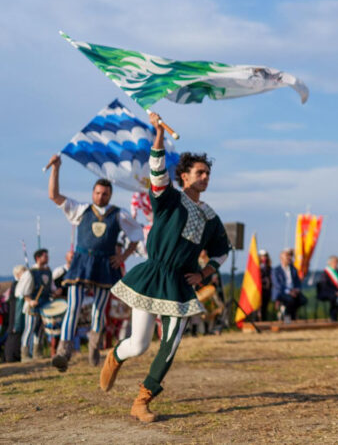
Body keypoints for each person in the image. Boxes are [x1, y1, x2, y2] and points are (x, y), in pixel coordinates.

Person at [100, 112, 231, 423]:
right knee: (139, 344)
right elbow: (157, 169)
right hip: (152, 275)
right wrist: (158, 133)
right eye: (200, 172)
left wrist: (204, 273)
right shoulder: (168, 197)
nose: (205, 177)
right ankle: (115, 356)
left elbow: (223, 251)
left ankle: (143, 398)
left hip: (180, 284)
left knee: (171, 344)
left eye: (208, 174)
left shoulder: (211, 216)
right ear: (183, 176)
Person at [46, 156, 143, 371]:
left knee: (99, 310)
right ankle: (64, 351)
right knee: (73, 306)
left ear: (110, 195)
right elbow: (54, 195)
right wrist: (56, 168)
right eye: (98, 193)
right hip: (81, 262)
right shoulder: (81, 209)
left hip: (105, 264)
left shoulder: (119, 214)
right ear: (93, 193)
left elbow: (137, 234)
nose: (101, 196)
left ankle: (94, 346)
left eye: (105, 193)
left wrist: (123, 257)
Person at [16, 249, 54, 361]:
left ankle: (38, 353)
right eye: (45, 256)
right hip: (33, 306)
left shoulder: (48, 271)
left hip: (45, 305)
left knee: (40, 330)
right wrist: (30, 300)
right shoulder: (30, 273)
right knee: (29, 329)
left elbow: (50, 287)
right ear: (38, 258)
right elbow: (21, 291)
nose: (47, 258)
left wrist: (55, 291)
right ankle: (25, 354)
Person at [272, 250, 306, 322]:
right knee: (290, 301)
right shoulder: (276, 270)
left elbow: (297, 282)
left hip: (294, 292)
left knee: (303, 300)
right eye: (287, 257)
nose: (289, 258)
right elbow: (277, 285)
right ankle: (287, 321)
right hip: (281, 292)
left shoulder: (293, 269)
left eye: (290, 256)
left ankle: (291, 318)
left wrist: (297, 290)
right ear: (281, 258)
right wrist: (289, 291)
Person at [4, 265, 27, 363]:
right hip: (15, 313)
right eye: (23, 272)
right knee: (14, 333)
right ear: (18, 274)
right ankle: (11, 357)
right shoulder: (17, 284)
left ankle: (15, 356)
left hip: (17, 313)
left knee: (17, 334)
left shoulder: (19, 284)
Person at [316, 256, 338, 322]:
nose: (336, 264)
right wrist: (335, 292)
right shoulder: (326, 273)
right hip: (327, 292)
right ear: (330, 263)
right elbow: (324, 286)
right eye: (334, 262)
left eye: (337, 262)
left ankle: (334, 312)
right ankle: (333, 315)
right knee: (333, 297)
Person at [258, 250, 273, 321]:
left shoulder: (269, 268)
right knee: (258, 309)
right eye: (262, 256)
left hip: (267, 290)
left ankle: (264, 322)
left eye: (265, 256)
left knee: (264, 308)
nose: (264, 258)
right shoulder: (257, 267)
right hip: (259, 290)